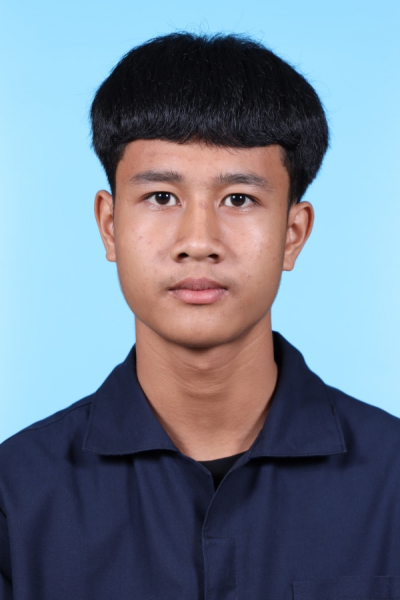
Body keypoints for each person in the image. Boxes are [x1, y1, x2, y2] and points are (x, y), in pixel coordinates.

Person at [1, 32, 400, 600]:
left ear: (293, 234)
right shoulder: (16, 494)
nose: (198, 242)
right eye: (162, 197)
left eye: (239, 199)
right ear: (110, 226)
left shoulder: (391, 481)